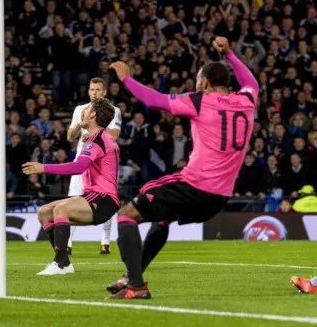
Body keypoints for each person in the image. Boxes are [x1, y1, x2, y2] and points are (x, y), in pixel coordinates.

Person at [106, 36, 258, 299]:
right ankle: (133, 276)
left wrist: (126, 79)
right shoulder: (246, 101)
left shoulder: (200, 99)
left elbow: (154, 101)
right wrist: (230, 54)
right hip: (219, 198)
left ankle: (136, 286)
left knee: (126, 214)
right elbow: (251, 82)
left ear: (207, 83)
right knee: (162, 218)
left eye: (199, 79)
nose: (197, 83)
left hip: (194, 185)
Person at [22, 98, 119, 275]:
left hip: (103, 199)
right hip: (93, 196)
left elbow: (79, 167)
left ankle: (59, 264)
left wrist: (44, 168)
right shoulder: (101, 138)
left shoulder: (95, 141)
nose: (82, 112)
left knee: (61, 209)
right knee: (44, 212)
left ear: (93, 114)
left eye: (86, 109)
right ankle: (64, 261)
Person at [65, 77, 122, 255]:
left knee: (104, 199)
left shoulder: (113, 111)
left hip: (103, 162)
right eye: (92, 90)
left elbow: (114, 134)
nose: (94, 93)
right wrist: (79, 127)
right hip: (82, 160)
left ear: (104, 92)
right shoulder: (80, 110)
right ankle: (67, 243)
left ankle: (105, 241)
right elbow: (69, 136)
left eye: (98, 90)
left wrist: (91, 135)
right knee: (73, 198)